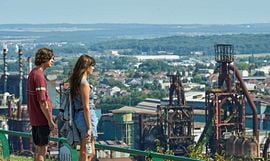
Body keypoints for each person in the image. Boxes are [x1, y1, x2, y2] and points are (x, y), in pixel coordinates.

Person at [27, 48, 57, 161]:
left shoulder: (32, 73)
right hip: (41, 119)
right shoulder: (39, 76)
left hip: (34, 118)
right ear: (45, 59)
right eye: (51, 58)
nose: (53, 61)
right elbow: (42, 101)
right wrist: (50, 120)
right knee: (42, 150)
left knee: (38, 149)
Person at [69, 54, 98, 161]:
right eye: (92, 66)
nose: (93, 68)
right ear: (86, 66)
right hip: (86, 118)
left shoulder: (76, 81)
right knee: (89, 151)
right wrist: (90, 127)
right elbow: (86, 106)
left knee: (83, 149)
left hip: (79, 116)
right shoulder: (84, 83)